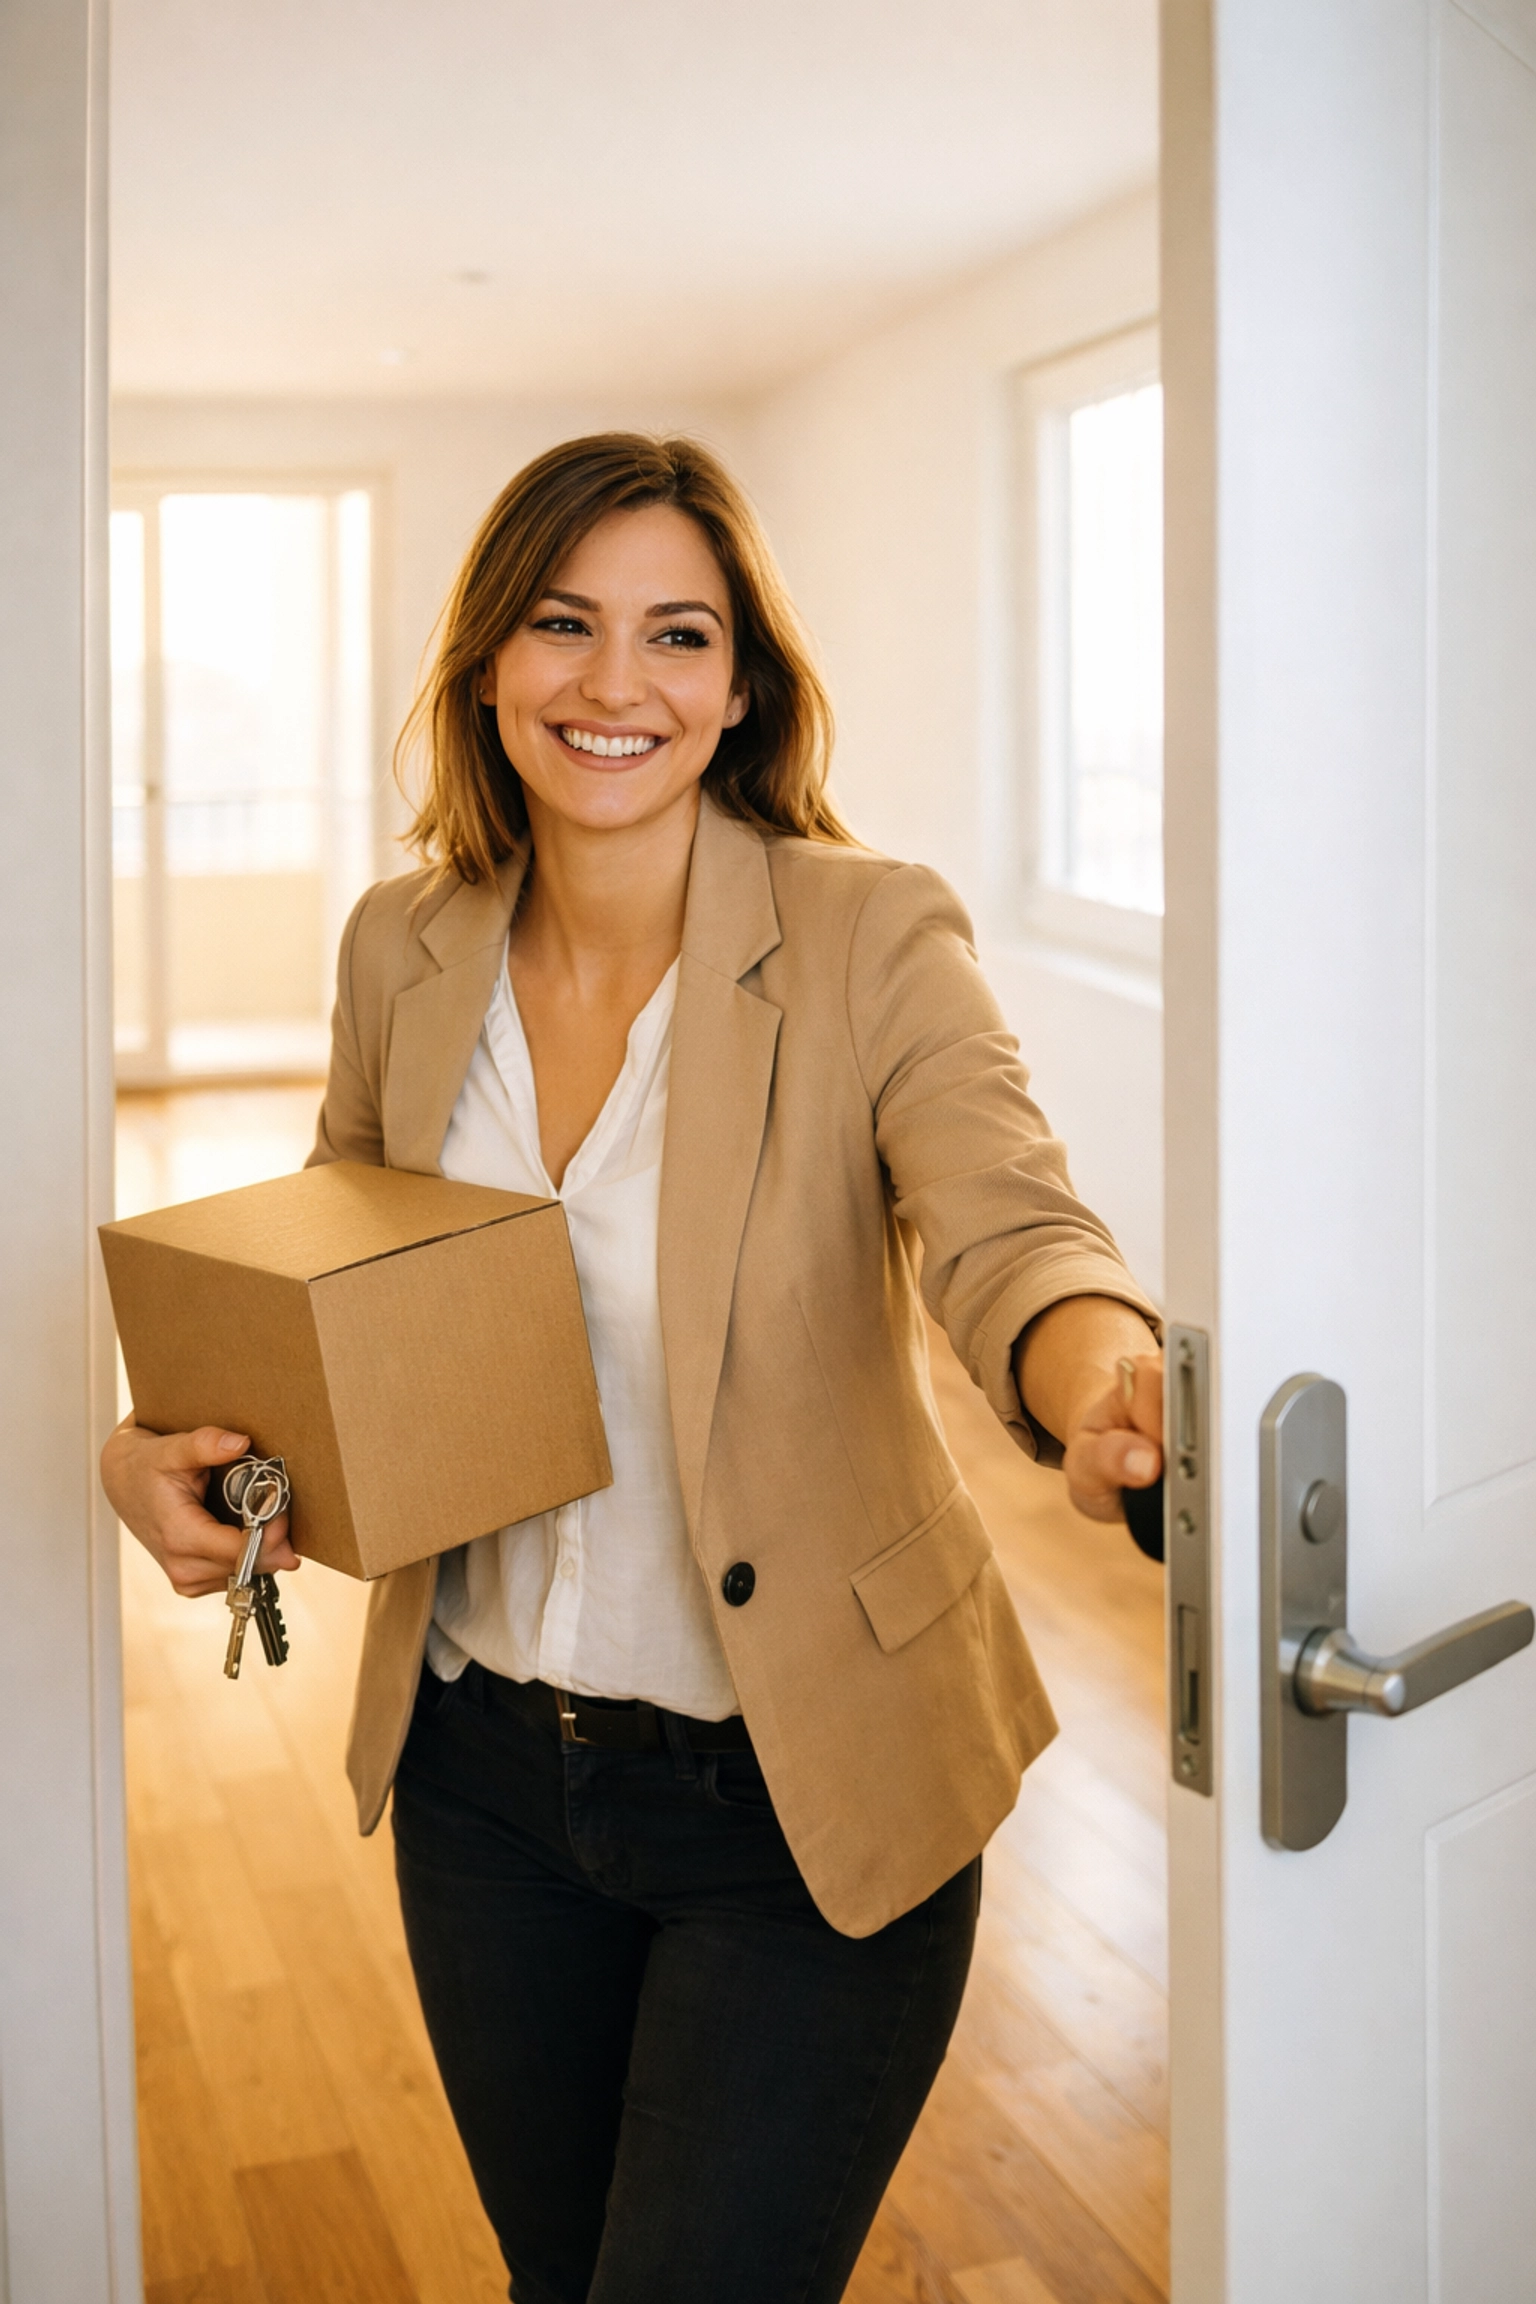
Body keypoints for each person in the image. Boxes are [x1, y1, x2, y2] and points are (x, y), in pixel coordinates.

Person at [103, 432, 1164, 2304]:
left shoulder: (867, 933)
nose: (617, 685)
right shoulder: (402, 946)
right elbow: (334, 1291)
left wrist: (1099, 1374)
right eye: (564, 626)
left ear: (740, 683)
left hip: (809, 1794)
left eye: (679, 635)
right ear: (489, 664)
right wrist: (174, 1453)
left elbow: (1014, 1229)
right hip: (484, 1781)